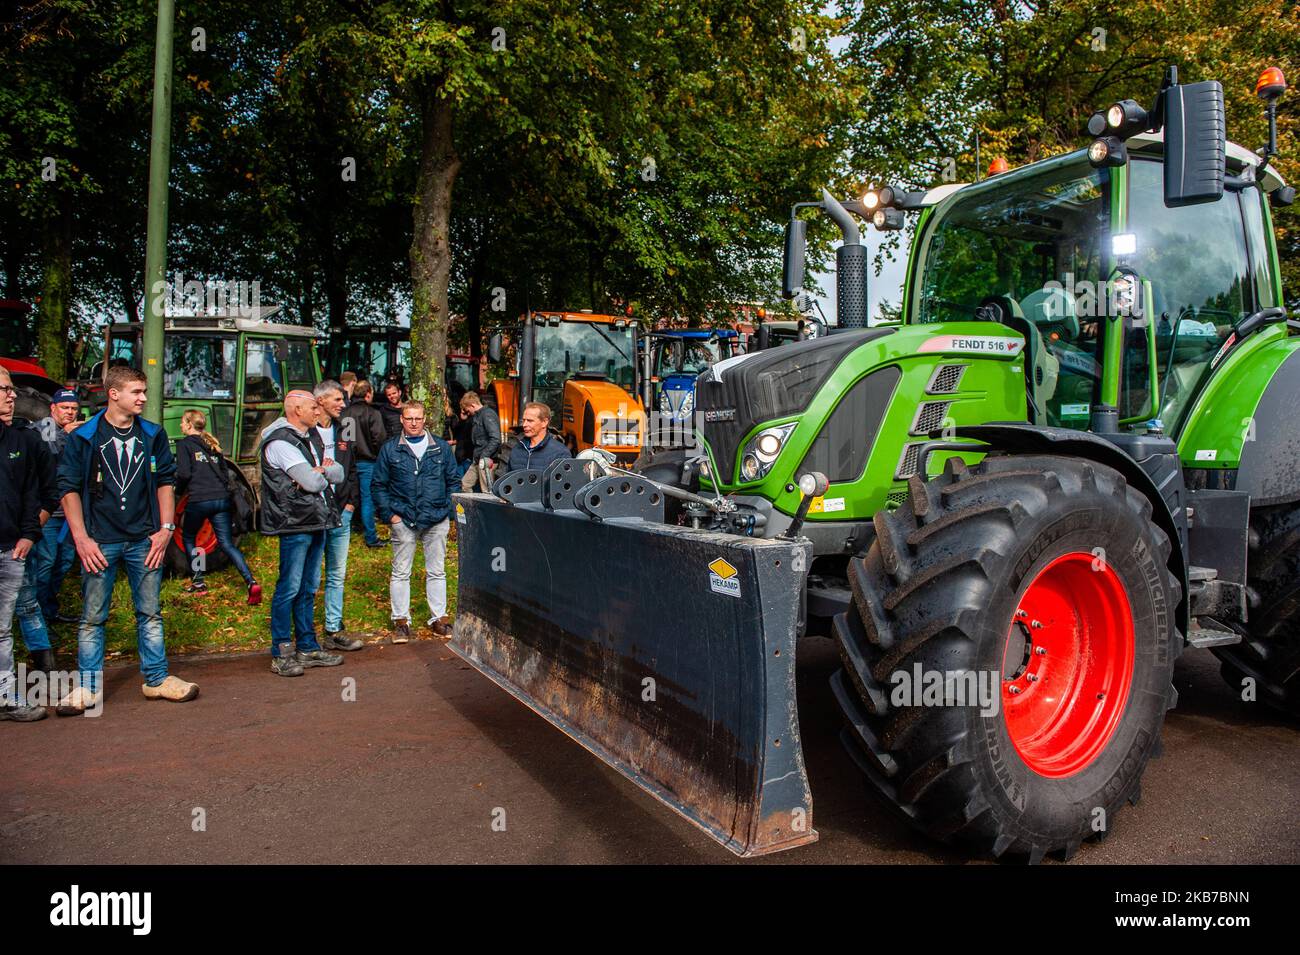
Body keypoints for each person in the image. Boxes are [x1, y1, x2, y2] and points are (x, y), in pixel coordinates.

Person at [56, 366, 199, 713]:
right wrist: (82, 539)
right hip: (99, 541)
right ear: (113, 394)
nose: (144, 398)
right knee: (93, 617)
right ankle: (88, 689)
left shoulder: (152, 434)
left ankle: (156, 679)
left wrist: (165, 531)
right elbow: (67, 488)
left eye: (144, 391)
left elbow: (167, 481)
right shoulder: (84, 436)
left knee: (150, 612)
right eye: (136, 392)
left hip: (144, 540)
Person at [259, 390, 346, 677]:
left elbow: (339, 474)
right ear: (296, 409)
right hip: (295, 522)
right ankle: (282, 651)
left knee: (309, 586)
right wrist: (319, 472)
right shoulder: (281, 442)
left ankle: (307, 647)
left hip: (315, 519)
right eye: (313, 407)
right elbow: (311, 481)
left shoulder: (308, 438)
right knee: (289, 587)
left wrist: (318, 472)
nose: (318, 411)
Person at [371, 400, 459, 642]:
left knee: (437, 571)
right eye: (409, 418)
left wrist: (448, 513)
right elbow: (378, 485)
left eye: (417, 418)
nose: (413, 423)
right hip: (404, 518)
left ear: (424, 419)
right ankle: (401, 621)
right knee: (400, 572)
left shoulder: (440, 448)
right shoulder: (390, 449)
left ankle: (438, 618)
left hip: (436, 517)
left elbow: (453, 481)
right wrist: (391, 516)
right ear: (402, 419)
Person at [0, 367, 52, 721]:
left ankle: (5, 698)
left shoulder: (23, 440)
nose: (12, 395)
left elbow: (39, 491)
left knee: (2, 631)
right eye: (4, 389)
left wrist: (30, 533)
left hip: (9, 551)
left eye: (11, 389)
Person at [175, 409, 260, 603]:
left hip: (199, 499)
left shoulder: (185, 445)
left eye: (182, 422)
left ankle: (198, 582)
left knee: (189, 537)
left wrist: (178, 490)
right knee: (227, 544)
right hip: (222, 499)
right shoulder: (213, 445)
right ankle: (251, 581)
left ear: (189, 424)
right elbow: (224, 474)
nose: (180, 426)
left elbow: (185, 474)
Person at [308, 381, 363, 653]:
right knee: (310, 576)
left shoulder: (345, 431)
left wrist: (351, 503)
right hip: (314, 514)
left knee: (336, 575)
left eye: (343, 399)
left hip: (342, 512)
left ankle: (333, 628)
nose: (343, 404)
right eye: (337, 400)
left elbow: (352, 469)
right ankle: (306, 634)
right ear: (320, 402)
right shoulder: (305, 434)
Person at [31, 389, 80, 623]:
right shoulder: (47, 427)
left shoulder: (70, 432)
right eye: (65, 408)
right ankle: (36, 614)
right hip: (49, 511)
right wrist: (69, 436)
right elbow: (51, 456)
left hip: (70, 511)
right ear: (53, 409)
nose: (70, 412)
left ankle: (49, 609)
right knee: (46, 562)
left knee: (64, 561)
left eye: (73, 409)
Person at [340, 379, 388, 548]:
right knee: (367, 499)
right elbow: (379, 438)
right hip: (368, 461)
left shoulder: (345, 413)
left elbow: (345, 440)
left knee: (348, 497)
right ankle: (370, 536)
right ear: (368, 394)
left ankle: (346, 530)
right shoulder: (372, 413)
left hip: (347, 461)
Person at [507, 401, 572, 471]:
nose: (524, 425)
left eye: (530, 421)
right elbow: (507, 479)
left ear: (544, 422)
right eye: (524, 420)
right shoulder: (517, 449)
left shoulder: (560, 452)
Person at [459, 391, 502, 492]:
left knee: (487, 491)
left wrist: (484, 455)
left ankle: (485, 508)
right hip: (478, 459)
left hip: (487, 460)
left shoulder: (487, 415)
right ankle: (470, 507)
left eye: (467, 410)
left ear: (472, 405)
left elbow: (495, 438)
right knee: (464, 484)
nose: (467, 412)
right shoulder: (477, 416)